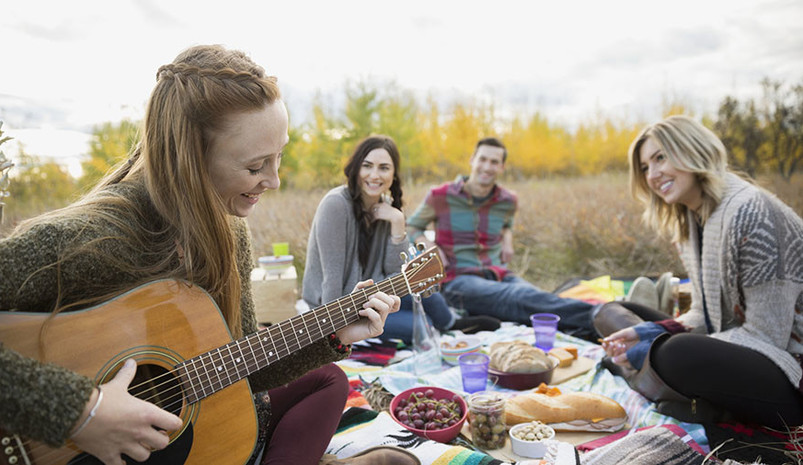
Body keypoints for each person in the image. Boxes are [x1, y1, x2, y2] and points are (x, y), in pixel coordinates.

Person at [0, 45, 418, 465]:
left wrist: (335, 334)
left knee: (329, 378)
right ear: (190, 159)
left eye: (278, 157)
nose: (275, 180)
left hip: (172, 433)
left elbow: (244, 366)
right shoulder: (96, 239)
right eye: (254, 166)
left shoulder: (230, 231)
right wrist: (80, 411)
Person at [598, 115, 803, 428]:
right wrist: (649, 332)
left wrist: (658, 344)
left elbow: (767, 335)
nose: (653, 175)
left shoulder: (752, 211)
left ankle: (647, 371)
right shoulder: (692, 220)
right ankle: (651, 371)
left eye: (660, 157)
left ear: (691, 149)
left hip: (790, 370)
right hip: (744, 347)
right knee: (609, 311)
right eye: (644, 167)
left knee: (676, 353)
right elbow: (704, 313)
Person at [302, 135, 499, 344]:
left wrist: (397, 222)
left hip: (372, 296)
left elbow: (397, 272)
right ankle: (440, 326)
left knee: (423, 288)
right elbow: (331, 279)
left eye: (384, 168)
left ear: (394, 174)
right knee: (421, 327)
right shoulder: (335, 205)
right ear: (356, 168)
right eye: (367, 166)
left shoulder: (387, 206)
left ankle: (451, 323)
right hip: (338, 306)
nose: (374, 175)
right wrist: (334, 332)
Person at [406, 137, 598, 341]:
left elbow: (507, 224)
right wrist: (428, 245)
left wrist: (508, 237)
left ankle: (596, 331)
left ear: (502, 167)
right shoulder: (440, 195)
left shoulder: (508, 201)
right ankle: (603, 314)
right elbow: (411, 226)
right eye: (483, 159)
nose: (487, 167)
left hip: (498, 273)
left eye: (494, 162)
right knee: (519, 297)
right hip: (459, 281)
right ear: (472, 160)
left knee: (537, 298)